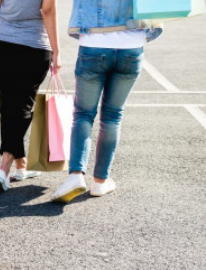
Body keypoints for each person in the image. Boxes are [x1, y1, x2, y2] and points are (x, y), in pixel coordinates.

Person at [51, 0, 163, 203]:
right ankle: (101, 181)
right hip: (132, 45)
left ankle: (76, 176)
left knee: (83, 114)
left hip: (94, 43)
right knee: (113, 116)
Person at [0, 0, 61, 192]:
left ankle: (21, 165)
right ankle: (4, 166)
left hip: (1, 42)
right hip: (35, 45)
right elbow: (47, 10)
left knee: (8, 106)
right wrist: (57, 50)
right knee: (22, 106)